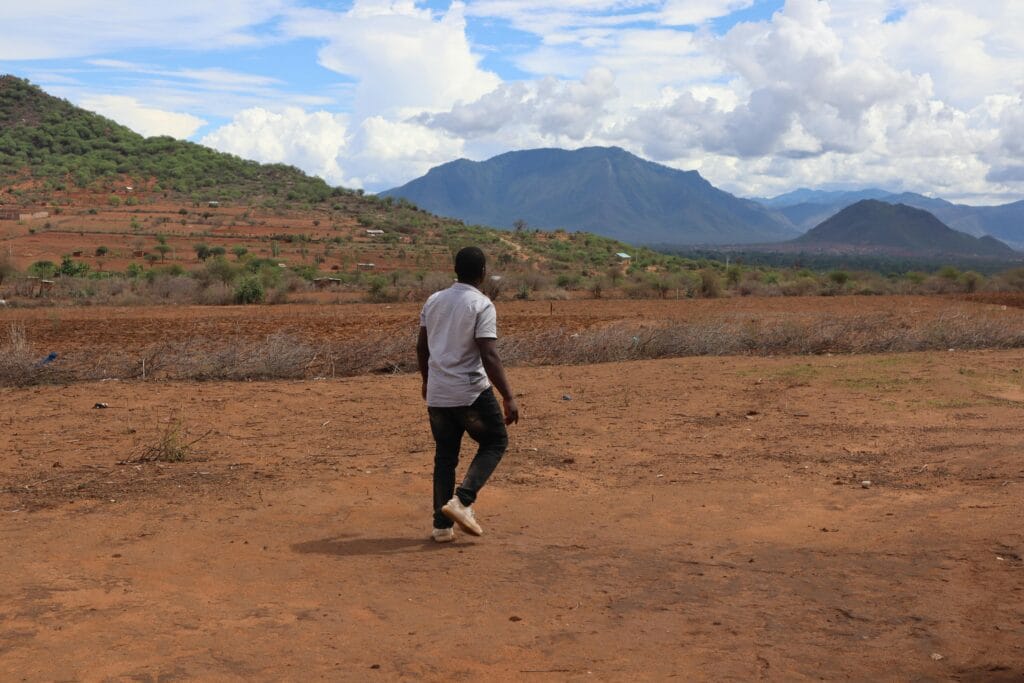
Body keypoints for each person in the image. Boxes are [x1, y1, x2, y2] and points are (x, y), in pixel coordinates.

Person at [417, 246, 519, 542]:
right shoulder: (481, 304)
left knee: (445, 456)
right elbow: (489, 354)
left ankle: (441, 526)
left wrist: (427, 380)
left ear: (455, 270)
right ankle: (462, 501)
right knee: (496, 441)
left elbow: (422, 348)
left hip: (438, 393)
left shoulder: (434, 300)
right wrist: (509, 396)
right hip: (470, 392)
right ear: (483, 272)